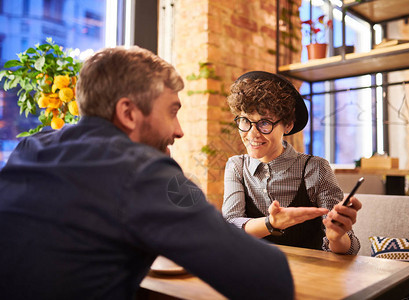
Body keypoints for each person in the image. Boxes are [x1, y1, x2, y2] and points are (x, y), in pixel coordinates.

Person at [0, 47, 294, 300]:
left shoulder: (31, 148)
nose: (178, 131)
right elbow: (271, 279)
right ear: (128, 113)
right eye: (171, 112)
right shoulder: (143, 171)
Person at [222, 71, 361, 255]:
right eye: (245, 121)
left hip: (310, 275)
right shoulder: (237, 166)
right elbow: (229, 227)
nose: (252, 134)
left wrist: (337, 237)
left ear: (288, 125)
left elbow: (349, 249)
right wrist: (270, 223)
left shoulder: (315, 168)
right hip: (253, 270)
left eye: (264, 123)